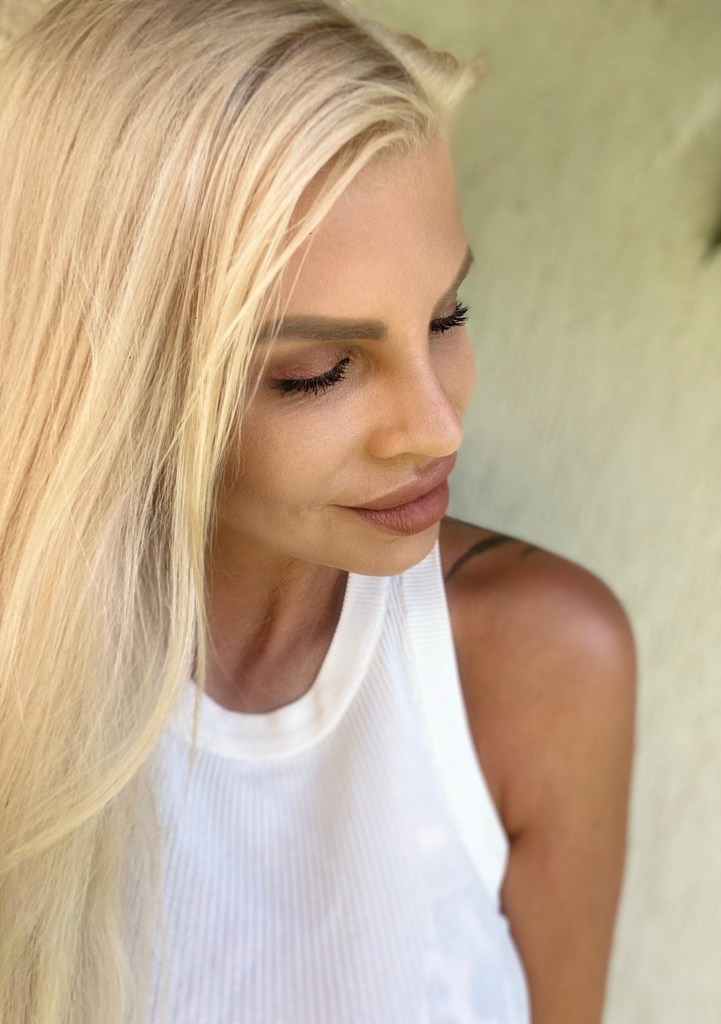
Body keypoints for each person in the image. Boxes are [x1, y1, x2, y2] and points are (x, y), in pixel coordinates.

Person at [0, 1, 636, 1022]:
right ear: (111, 382)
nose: (437, 426)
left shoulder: (541, 663)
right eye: (319, 369)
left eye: (448, 317)